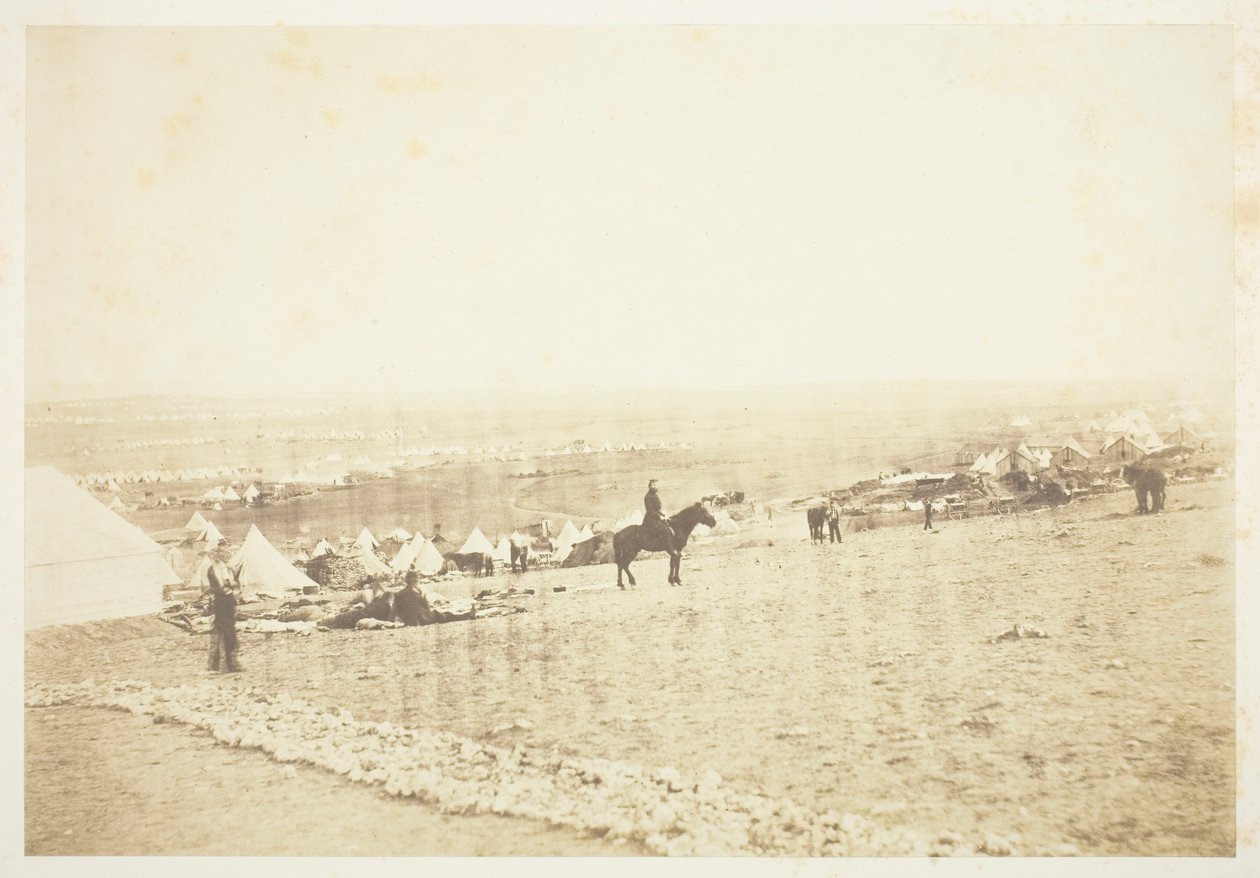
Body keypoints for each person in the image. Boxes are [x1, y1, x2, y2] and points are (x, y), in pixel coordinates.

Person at [205, 551, 242, 673]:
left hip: (229, 603)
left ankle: (229, 664)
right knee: (221, 633)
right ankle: (218, 665)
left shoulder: (229, 569)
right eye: (220, 554)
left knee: (229, 633)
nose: (224, 556)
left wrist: (231, 586)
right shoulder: (212, 570)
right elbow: (212, 588)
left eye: (225, 553)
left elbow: (236, 583)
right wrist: (227, 588)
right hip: (220, 604)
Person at [392, 571, 474, 626]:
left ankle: (467, 615)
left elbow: (394, 611)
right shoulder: (417, 593)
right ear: (416, 581)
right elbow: (427, 607)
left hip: (409, 620)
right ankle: (467, 615)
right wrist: (422, 594)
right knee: (446, 615)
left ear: (406, 581)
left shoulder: (399, 593)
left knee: (443, 614)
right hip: (421, 619)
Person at [642, 479, 675, 549]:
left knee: (670, 525)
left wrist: (663, 514)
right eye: (653, 485)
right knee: (665, 530)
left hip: (657, 516)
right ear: (650, 486)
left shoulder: (655, 495)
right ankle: (670, 549)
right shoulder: (647, 497)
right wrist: (659, 517)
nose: (655, 487)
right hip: (651, 519)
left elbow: (657, 509)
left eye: (656, 485)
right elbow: (650, 511)